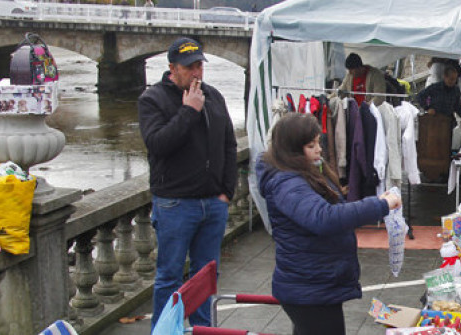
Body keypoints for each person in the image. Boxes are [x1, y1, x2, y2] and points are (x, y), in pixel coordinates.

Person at [256, 113, 401, 335]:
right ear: (292, 149)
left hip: (316, 282)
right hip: (308, 287)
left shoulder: (298, 173)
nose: (319, 149)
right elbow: (325, 218)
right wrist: (379, 205)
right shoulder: (287, 183)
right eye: (311, 145)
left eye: (318, 142)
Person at [138, 37, 237, 330]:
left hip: (213, 203)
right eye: (189, 67)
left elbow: (229, 146)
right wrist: (189, 111)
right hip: (175, 203)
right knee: (169, 276)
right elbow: (158, 144)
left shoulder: (214, 96)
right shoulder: (152, 99)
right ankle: (165, 329)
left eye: (199, 66)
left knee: (206, 276)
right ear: (172, 68)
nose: (196, 73)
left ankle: (203, 329)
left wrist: (226, 192)